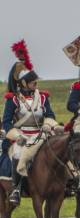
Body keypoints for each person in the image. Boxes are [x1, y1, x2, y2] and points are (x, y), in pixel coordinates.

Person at [2, 42, 58, 205]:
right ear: (24, 83)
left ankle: (64, 184)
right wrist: (17, 136)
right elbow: (6, 122)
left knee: (59, 149)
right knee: (18, 154)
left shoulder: (42, 97)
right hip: (22, 136)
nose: (36, 86)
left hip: (40, 133)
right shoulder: (12, 100)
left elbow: (49, 114)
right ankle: (16, 188)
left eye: (37, 83)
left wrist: (48, 124)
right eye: (34, 83)